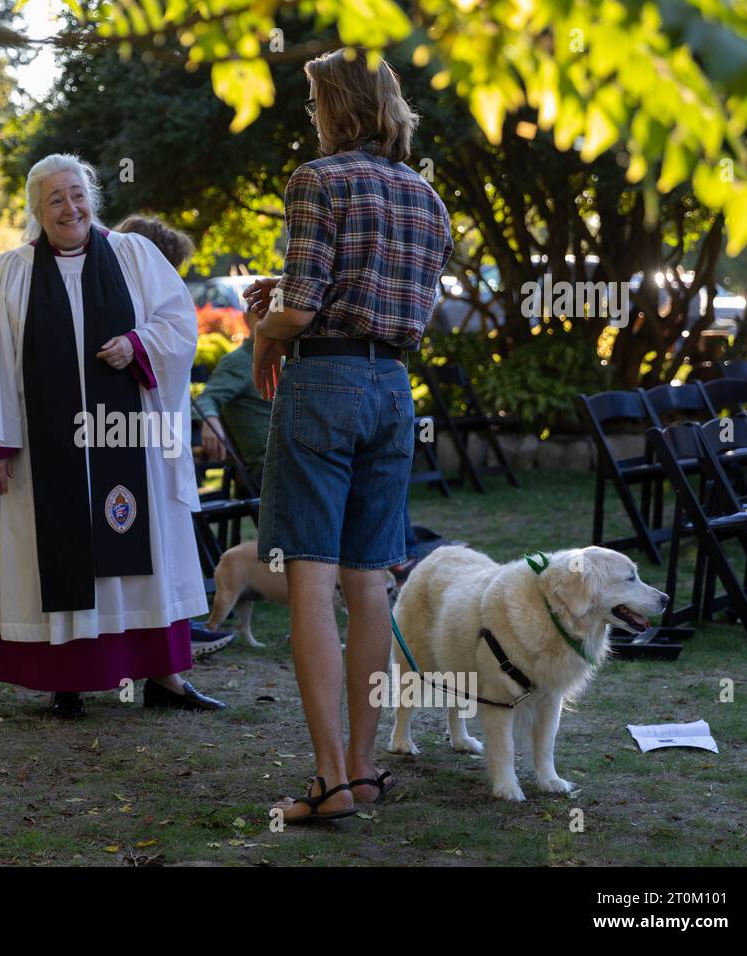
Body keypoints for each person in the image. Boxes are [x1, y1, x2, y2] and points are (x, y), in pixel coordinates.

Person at [244, 50, 453, 822]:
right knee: (370, 584)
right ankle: (364, 772)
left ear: (334, 107)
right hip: (393, 387)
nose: (311, 119)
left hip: (324, 381)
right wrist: (291, 305)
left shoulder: (316, 179)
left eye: (313, 105)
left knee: (311, 580)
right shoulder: (427, 198)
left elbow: (301, 311)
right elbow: (397, 300)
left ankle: (328, 781)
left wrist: (265, 331)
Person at [0, 154, 226, 718]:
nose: (68, 207)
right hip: (42, 456)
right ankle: (67, 680)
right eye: (54, 199)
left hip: (129, 441)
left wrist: (138, 343)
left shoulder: (134, 256)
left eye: (76, 194)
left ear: (91, 198)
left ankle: (165, 679)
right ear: (36, 211)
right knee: (60, 555)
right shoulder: (11, 272)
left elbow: (179, 323)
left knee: (141, 550)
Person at [114, 213, 237, 658]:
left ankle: (175, 629)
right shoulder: (123, 298)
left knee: (167, 533)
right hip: (127, 435)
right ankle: (163, 636)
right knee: (149, 533)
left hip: (158, 430)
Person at [193, 305, 274, 491]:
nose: (268, 319)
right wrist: (209, 421)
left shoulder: (283, 359)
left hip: (290, 462)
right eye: (260, 313)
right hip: (270, 469)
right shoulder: (238, 362)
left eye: (273, 313)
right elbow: (206, 399)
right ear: (246, 319)